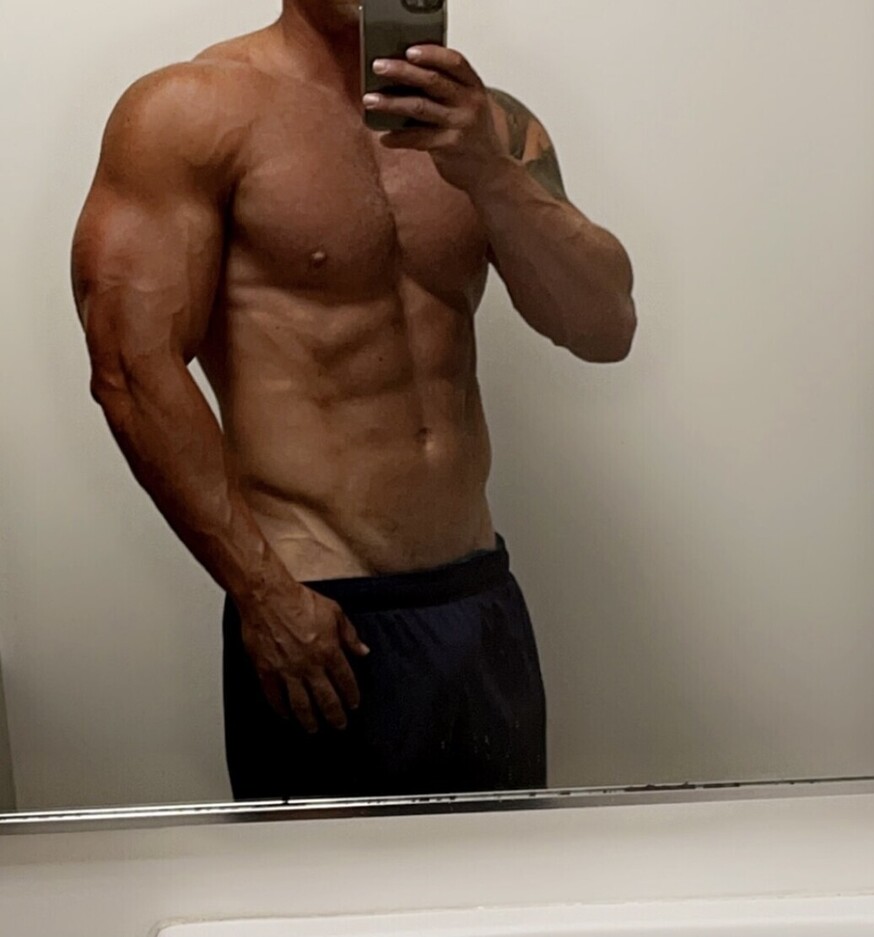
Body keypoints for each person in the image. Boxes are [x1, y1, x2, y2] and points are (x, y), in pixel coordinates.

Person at [70, 0, 636, 801]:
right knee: (325, 883)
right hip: (319, 619)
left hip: (478, 602)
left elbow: (604, 326)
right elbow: (130, 368)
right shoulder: (189, 112)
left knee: (510, 877)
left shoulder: (487, 126)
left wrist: (490, 173)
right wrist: (263, 594)